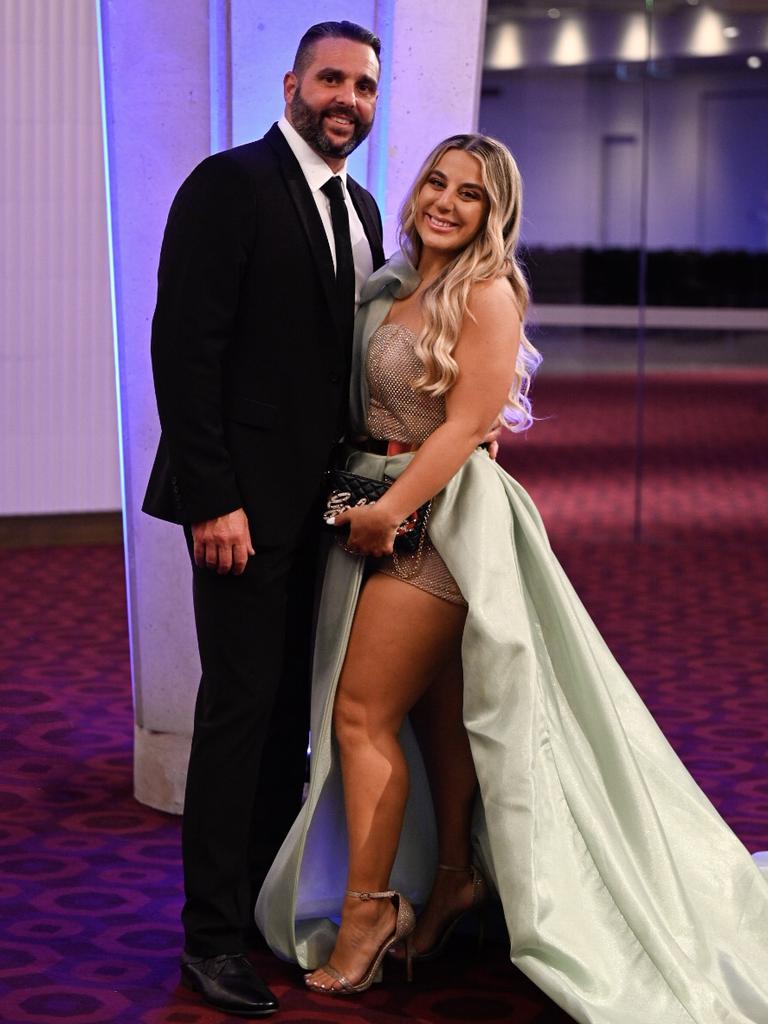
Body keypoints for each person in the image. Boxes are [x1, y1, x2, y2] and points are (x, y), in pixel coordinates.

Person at [255, 134, 768, 1022]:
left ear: (497, 215)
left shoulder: (487, 292)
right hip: (378, 506)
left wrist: (388, 509)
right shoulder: (397, 282)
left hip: (442, 525)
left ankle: (369, 914)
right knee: (435, 712)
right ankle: (455, 879)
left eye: (472, 195)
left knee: (359, 713)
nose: (446, 203)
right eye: (436, 183)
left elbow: (465, 428)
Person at [142, 21, 385, 1018]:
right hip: (239, 510)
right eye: (332, 79)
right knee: (240, 716)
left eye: (366, 87)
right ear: (292, 84)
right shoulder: (228, 184)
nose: (349, 99)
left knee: (293, 716)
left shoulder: (362, 204)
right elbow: (183, 348)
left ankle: (254, 912)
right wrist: (213, 498)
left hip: (328, 509)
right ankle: (209, 940)